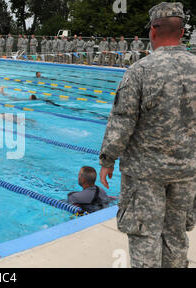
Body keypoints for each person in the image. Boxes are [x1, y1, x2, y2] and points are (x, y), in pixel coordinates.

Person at [99, 2, 196, 268]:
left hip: (145, 174)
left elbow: (122, 121)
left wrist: (107, 159)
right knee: (176, 235)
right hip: (187, 172)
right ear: (183, 31)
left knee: (145, 236)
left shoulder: (140, 71)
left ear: (153, 31)